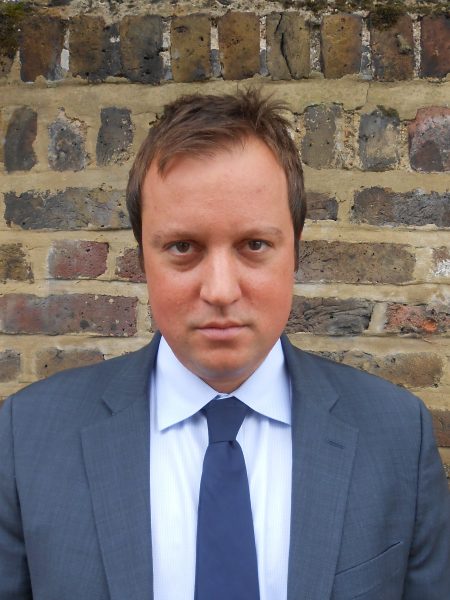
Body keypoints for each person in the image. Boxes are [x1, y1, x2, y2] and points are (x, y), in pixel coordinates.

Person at [0, 89, 449, 600]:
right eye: (183, 247)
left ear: (295, 253)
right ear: (142, 259)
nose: (219, 290)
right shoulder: (27, 437)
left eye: (254, 245)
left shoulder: (396, 435)